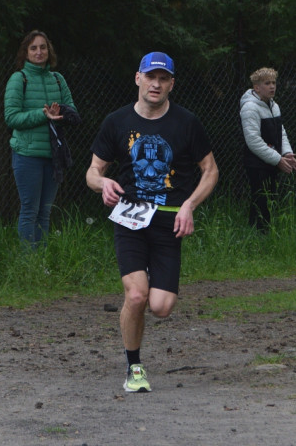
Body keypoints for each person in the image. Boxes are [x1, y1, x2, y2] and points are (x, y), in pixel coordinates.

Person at [86, 51, 219, 392]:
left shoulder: (187, 123)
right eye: (150, 77)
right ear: (138, 78)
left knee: (160, 306)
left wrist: (189, 204)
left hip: (169, 222)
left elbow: (210, 170)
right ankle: (134, 369)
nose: (156, 84)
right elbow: (92, 171)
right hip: (130, 219)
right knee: (135, 297)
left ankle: (144, 291)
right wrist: (104, 183)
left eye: (163, 79)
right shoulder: (116, 122)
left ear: (171, 84)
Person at [3, 30, 78, 248]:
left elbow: (72, 110)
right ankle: (29, 264)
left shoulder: (57, 78)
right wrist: (42, 114)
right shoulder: (19, 79)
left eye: (43, 47)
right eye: (33, 48)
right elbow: (11, 117)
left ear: (49, 50)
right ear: (25, 52)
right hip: (27, 155)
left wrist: (61, 112)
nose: (39, 52)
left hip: (53, 155)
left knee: (45, 213)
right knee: (30, 210)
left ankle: (41, 263)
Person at [240, 67, 296, 232]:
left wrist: (287, 153)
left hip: (272, 161)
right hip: (257, 164)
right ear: (257, 87)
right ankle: (258, 235)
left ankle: (266, 234)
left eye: (274, 82)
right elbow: (253, 140)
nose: (272, 86)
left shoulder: (274, 106)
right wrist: (278, 160)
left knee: (271, 197)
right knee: (260, 199)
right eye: (267, 83)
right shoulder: (250, 108)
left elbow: (281, 132)